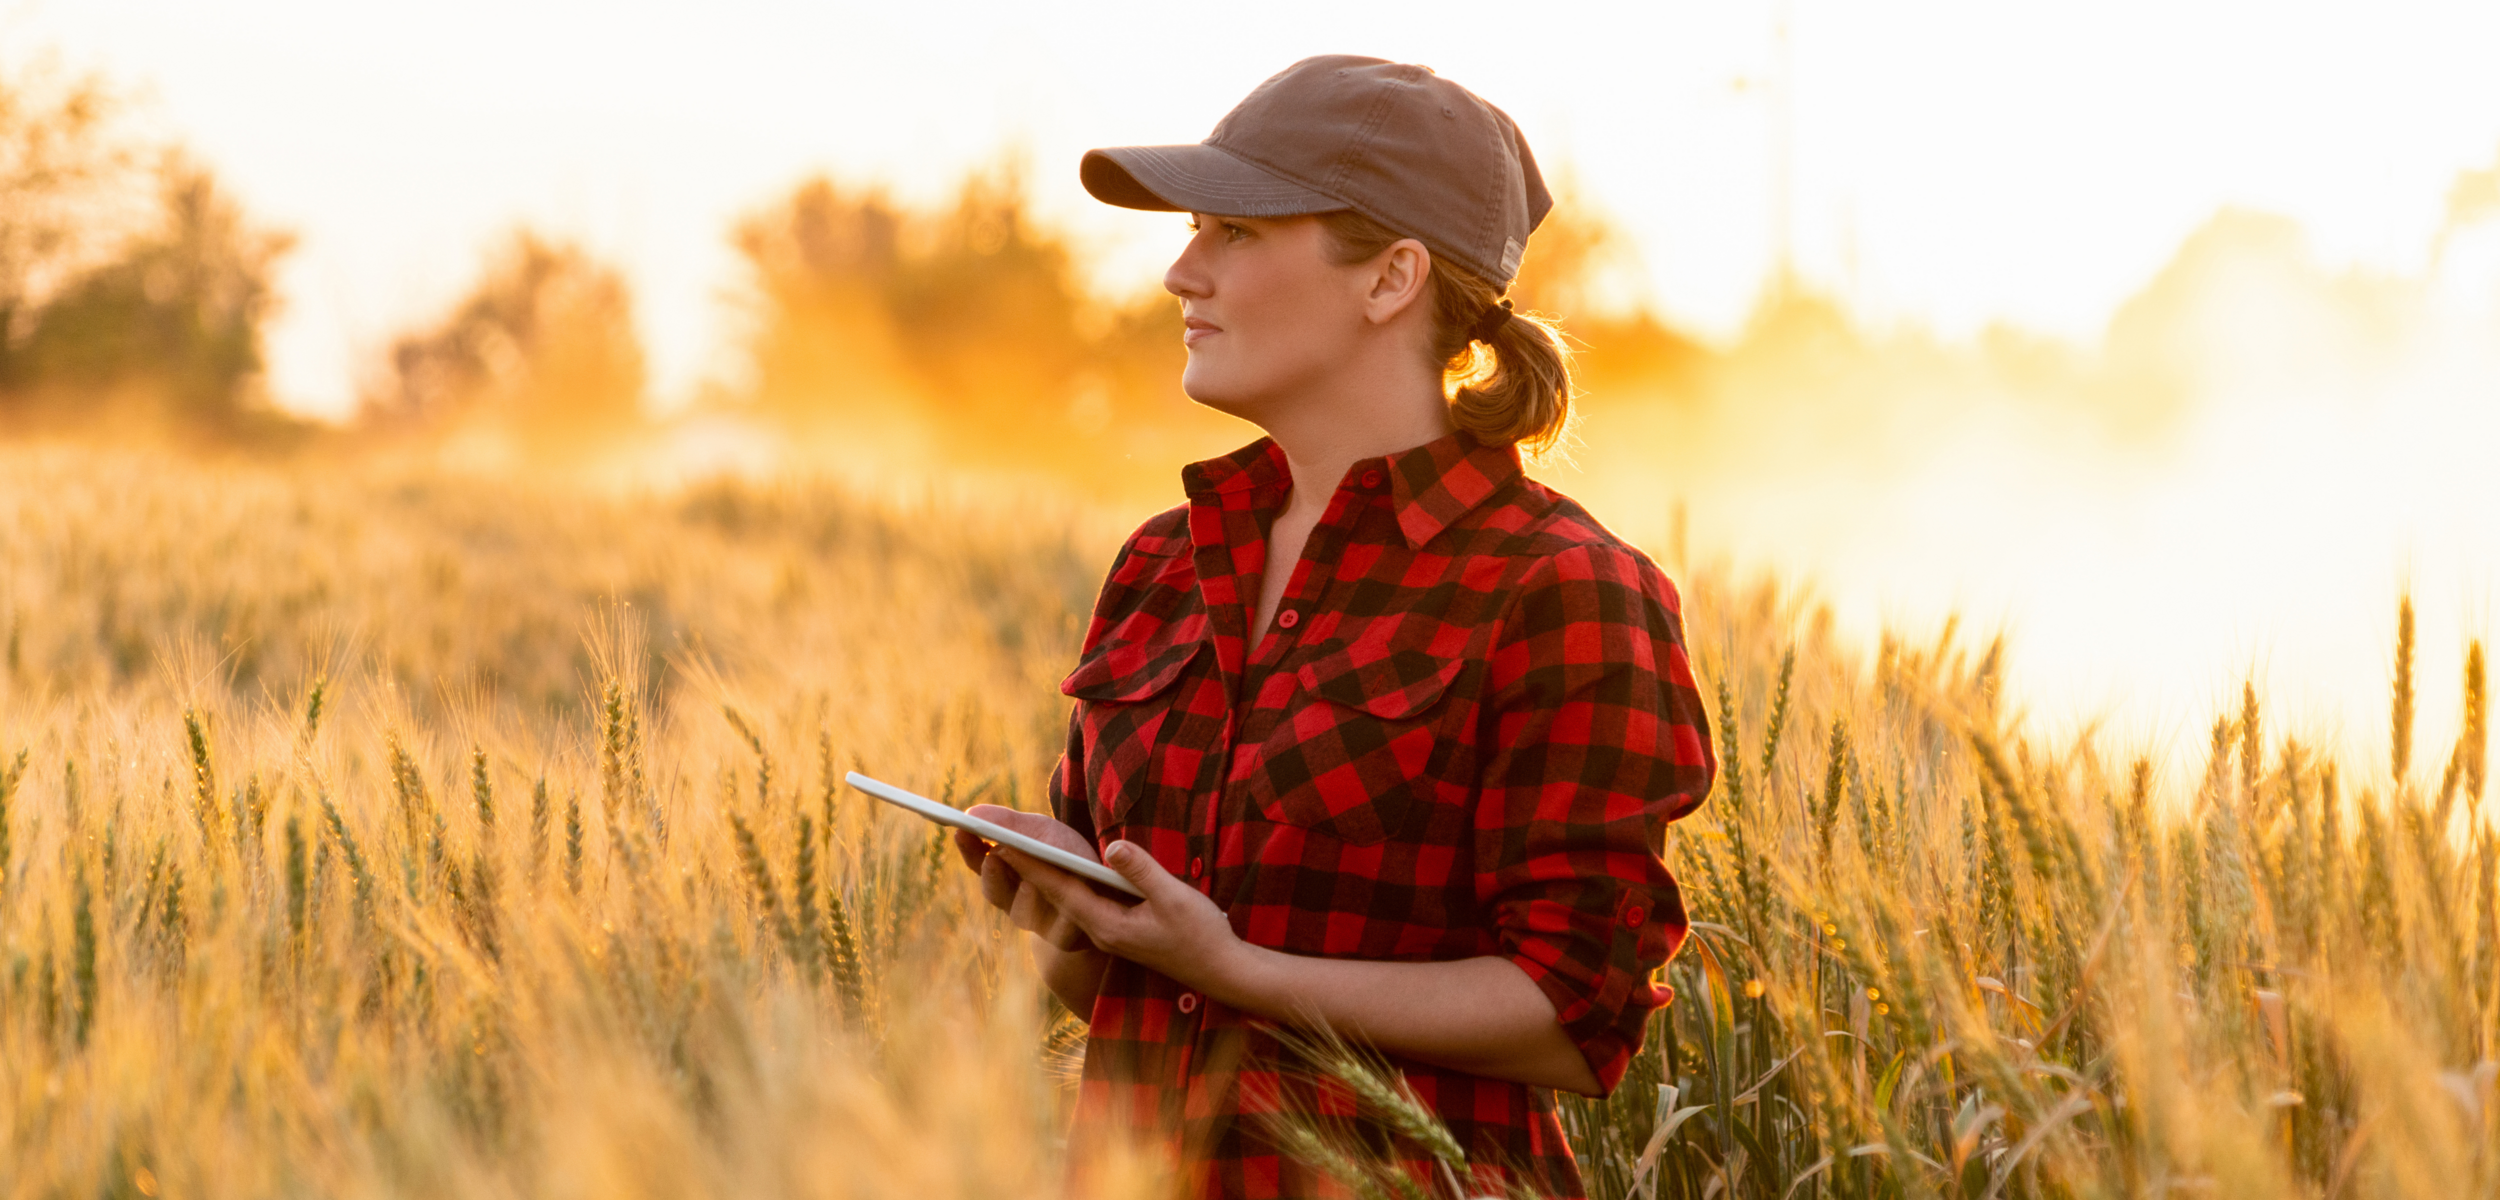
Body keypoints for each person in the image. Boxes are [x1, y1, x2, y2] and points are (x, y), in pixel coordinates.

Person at [951, 55, 1715, 1200]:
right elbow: (1146, 1002)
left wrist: (1240, 970)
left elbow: (1571, 1017)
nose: (1179, 271)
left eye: (1237, 233)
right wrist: (1076, 921)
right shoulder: (1164, 562)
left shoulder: (1558, 589)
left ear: (1391, 277)